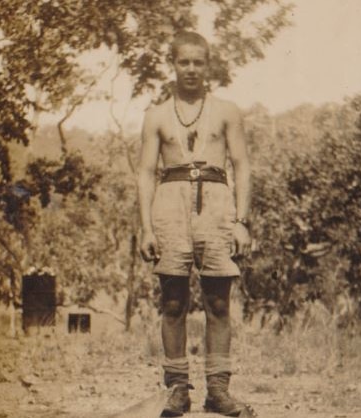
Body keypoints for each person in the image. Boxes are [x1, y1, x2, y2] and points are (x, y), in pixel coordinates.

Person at [137, 31, 252, 417]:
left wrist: (242, 221)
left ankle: (218, 389)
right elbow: (143, 173)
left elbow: (242, 166)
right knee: (173, 301)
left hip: (217, 204)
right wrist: (147, 228)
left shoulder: (227, 112)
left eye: (198, 62)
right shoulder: (155, 115)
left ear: (208, 65)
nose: (190, 69)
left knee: (218, 299)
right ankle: (178, 389)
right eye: (183, 61)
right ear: (173, 64)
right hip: (170, 203)